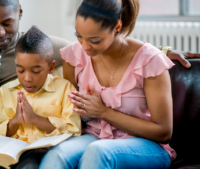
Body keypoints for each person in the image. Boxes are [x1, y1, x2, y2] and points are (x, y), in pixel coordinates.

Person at [0, 0, 199, 168]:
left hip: (135, 143)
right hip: (70, 134)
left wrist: (160, 51)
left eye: (6, 22)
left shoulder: (54, 48)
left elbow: (163, 129)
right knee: (55, 158)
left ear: (19, 14)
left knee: (96, 154)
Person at [40, 0, 176, 168]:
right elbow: (72, 116)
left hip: (146, 145)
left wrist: (104, 112)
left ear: (117, 27)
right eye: (79, 36)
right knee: (58, 154)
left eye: (94, 40)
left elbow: (163, 132)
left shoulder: (150, 60)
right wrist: (86, 111)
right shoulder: (74, 56)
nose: (85, 46)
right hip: (94, 137)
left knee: (99, 151)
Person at [0, 26, 80, 169]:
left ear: (51, 67)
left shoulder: (65, 89)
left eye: (35, 71)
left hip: (43, 152)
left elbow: (74, 131)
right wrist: (16, 121)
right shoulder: (6, 91)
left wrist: (35, 119)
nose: (27, 78)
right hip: (11, 152)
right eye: (20, 70)